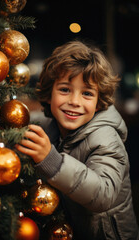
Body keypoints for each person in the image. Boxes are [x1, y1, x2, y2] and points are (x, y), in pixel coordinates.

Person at [15, 40, 139, 239]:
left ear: (99, 103)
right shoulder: (51, 126)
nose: (74, 101)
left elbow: (104, 194)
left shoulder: (106, 138)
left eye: (87, 93)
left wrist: (51, 161)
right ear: (49, 94)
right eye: (65, 89)